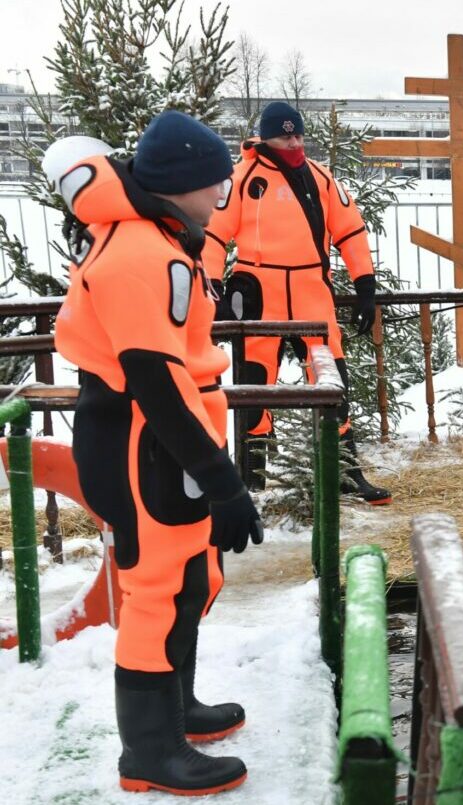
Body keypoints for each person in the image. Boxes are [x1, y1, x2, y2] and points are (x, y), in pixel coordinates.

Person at [52, 111, 262, 795]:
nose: (224, 192)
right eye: (216, 181)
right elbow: (158, 384)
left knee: (187, 580)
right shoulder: (144, 254)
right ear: (182, 184)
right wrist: (222, 479)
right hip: (144, 439)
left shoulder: (162, 236)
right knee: (156, 591)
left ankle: (178, 710)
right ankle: (149, 750)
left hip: (159, 437)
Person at [201, 100, 390, 504]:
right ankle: (251, 479)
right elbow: (215, 235)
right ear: (265, 136)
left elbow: (351, 230)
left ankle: (346, 472)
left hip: (311, 292)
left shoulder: (320, 178)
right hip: (260, 291)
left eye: (298, 133)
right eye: (285, 134)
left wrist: (365, 286)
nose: (293, 141)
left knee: (332, 382)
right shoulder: (242, 177)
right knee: (253, 386)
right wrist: (213, 288)